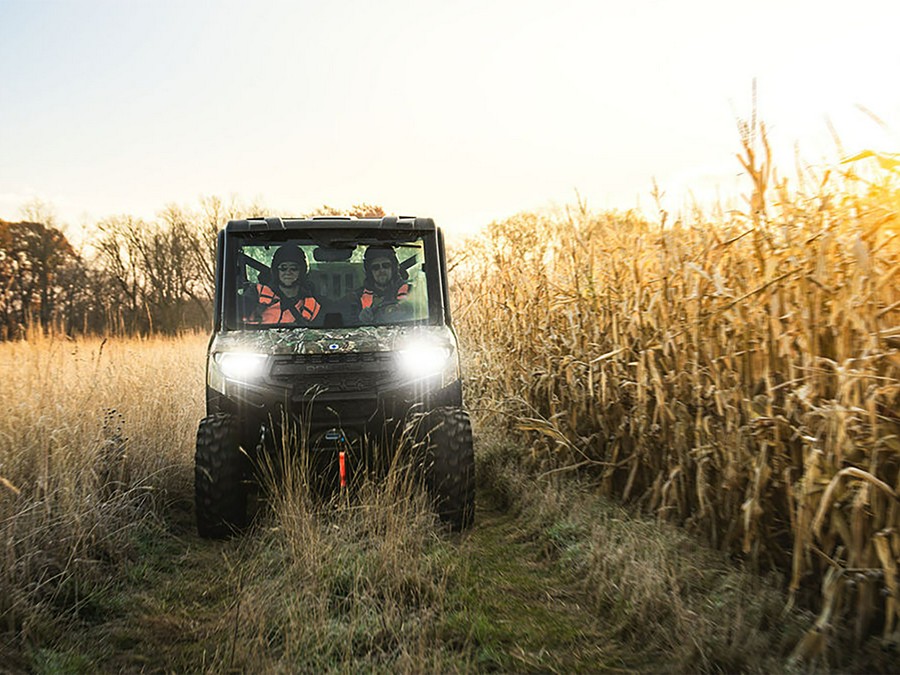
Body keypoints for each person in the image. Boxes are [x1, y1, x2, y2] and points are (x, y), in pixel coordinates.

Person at [249, 244, 321, 325]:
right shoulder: (257, 293)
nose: (288, 272)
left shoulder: (312, 305)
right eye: (283, 268)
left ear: (301, 272)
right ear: (276, 271)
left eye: (294, 268)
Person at [358, 245, 411, 323]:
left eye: (386, 266)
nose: (381, 270)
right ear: (370, 272)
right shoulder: (357, 297)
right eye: (376, 267)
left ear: (393, 268)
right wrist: (361, 321)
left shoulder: (411, 291)